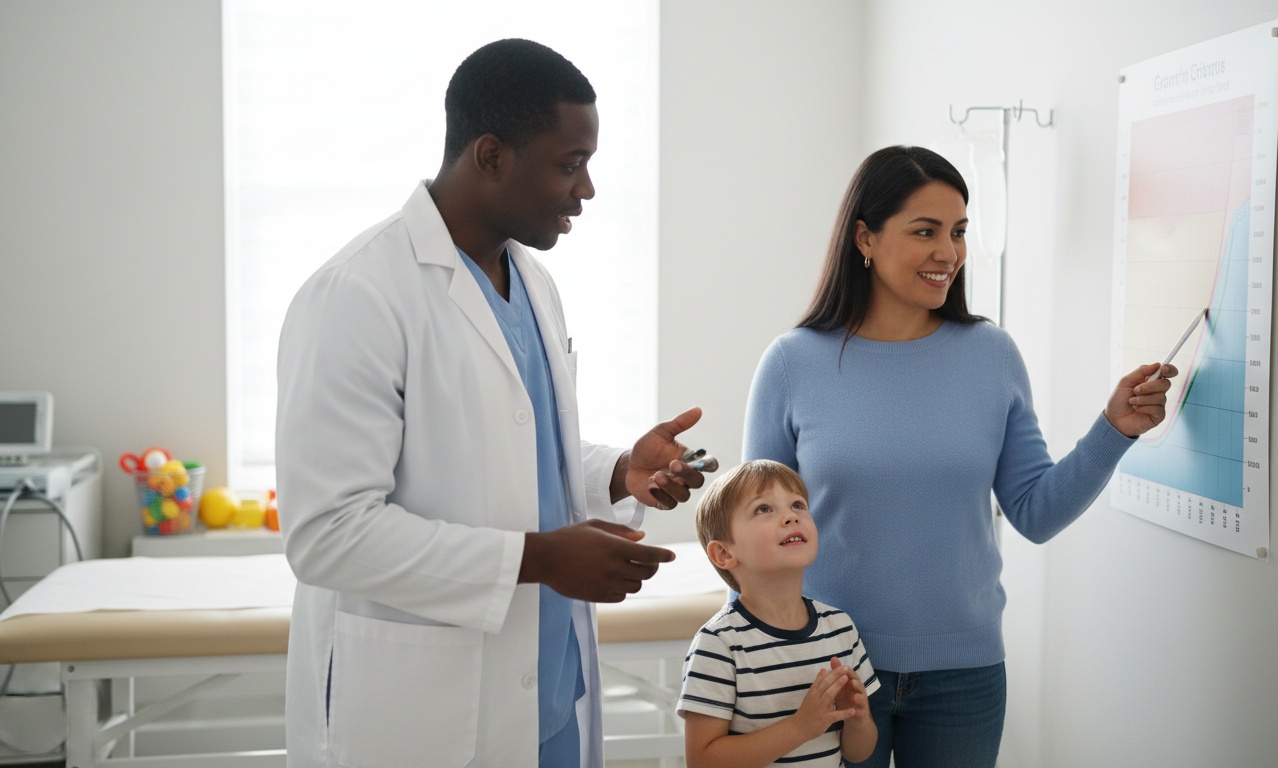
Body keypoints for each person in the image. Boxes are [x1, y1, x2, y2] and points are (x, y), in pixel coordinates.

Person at [275, 39, 709, 768]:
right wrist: (540, 559)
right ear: (490, 155)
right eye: (569, 164)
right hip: (427, 708)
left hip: (548, 694)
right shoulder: (357, 295)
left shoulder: (533, 283)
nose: (588, 190)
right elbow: (326, 533)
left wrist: (619, 474)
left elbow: (517, 453)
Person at [741, 145, 1177, 767]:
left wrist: (1115, 429)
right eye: (926, 231)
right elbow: (755, 533)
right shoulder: (792, 362)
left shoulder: (990, 355)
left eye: (959, 232)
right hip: (825, 667)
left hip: (963, 673)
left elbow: (1036, 512)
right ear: (865, 237)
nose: (949, 252)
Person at [677, 459, 880, 767]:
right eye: (763, 509)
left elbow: (858, 752)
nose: (790, 516)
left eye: (798, 505)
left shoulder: (840, 628)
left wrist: (858, 720)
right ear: (724, 553)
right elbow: (702, 761)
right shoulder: (718, 644)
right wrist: (800, 727)